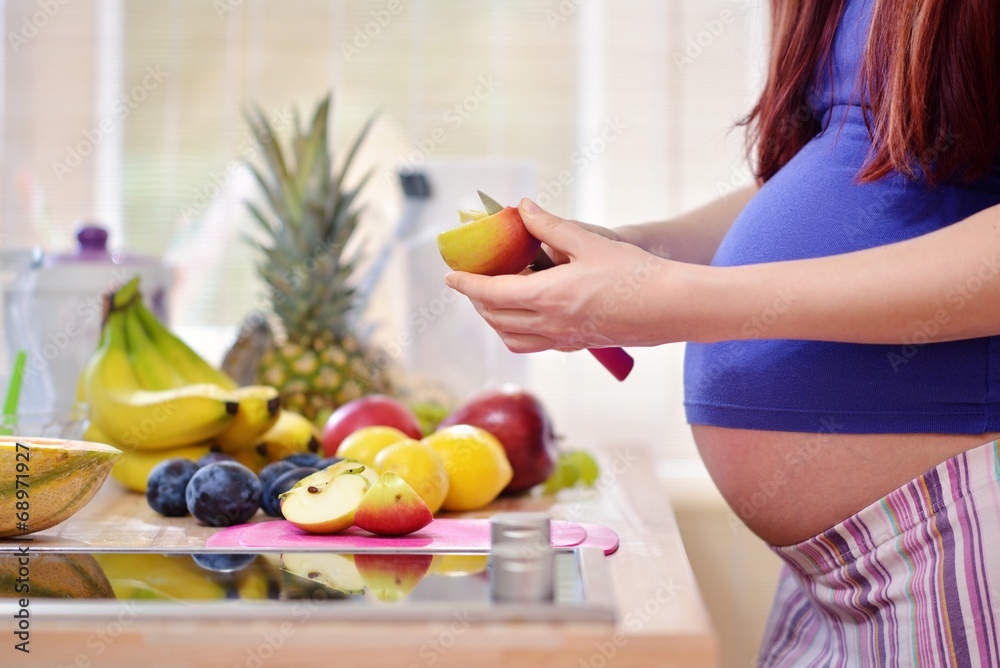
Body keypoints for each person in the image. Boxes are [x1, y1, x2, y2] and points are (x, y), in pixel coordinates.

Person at [445, 0, 1000, 664]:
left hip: (959, 520)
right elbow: (866, 166)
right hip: (829, 576)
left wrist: (684, 301)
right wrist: (636, 251)